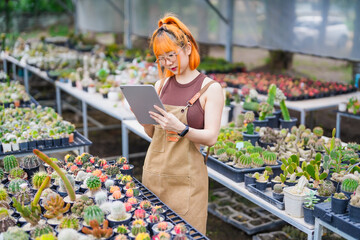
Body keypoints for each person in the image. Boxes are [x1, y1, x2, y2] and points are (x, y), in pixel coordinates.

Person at [141, 14, 224, 234]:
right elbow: (152, 134)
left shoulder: (210, 89)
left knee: (186, 235)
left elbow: (211, 137)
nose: (167, 63)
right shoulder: (160, 86)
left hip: (186, 182)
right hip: (154, 175)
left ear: (187, 48)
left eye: (171, 55)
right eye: (161, 58)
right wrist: (141, 115)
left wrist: (182, 129)